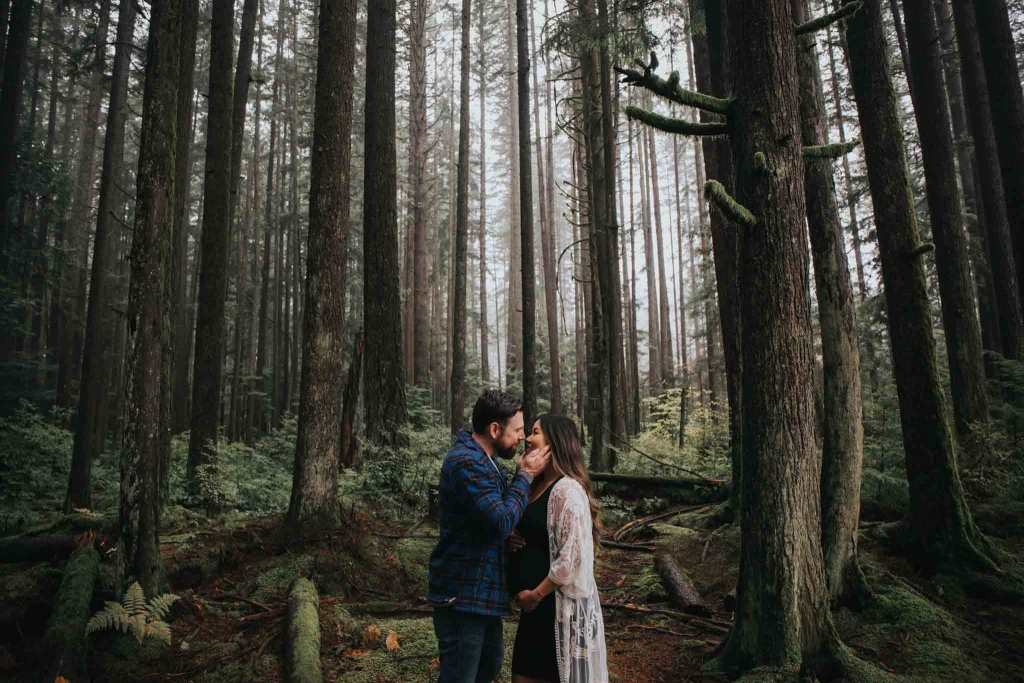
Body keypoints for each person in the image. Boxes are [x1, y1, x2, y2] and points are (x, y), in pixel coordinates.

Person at [427, 389, 551, 683]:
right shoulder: (466, 461)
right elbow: (499, 520)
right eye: (518, 430)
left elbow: (488, 519)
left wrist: (505, 536)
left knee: (488, 668)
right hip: (463, 595)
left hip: (482, 596)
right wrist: (525, 476)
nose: (522, 437)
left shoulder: (488, 462)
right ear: (495, 429)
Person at [509, 414, 607, 683]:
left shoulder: (568, 490)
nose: (528, 438)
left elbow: (572, 558)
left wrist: (535, 595)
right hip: (534, 610)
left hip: (555, 608)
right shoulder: (536, 487)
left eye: (535, 432)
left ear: (554, 442)